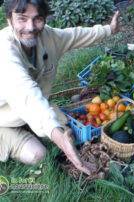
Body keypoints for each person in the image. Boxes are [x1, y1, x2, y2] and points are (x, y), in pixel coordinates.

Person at [0, 0, 120, 175]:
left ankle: (36, 128)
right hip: (4, 119)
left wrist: (109, 29)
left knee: (68, 130)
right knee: (38, 155)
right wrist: (61, 142)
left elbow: (76, 35)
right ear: (10, 19)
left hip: (29, 110)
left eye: (37, 19)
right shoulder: (4, 52)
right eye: (22, 19)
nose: (30, 27)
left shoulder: (47, 37)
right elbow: (27, 94)